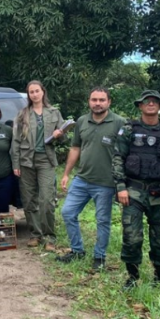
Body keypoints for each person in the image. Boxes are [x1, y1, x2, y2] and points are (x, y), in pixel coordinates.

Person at [113, 90, 160, 294]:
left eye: (155, 101)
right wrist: (120, 187)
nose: (151, 104)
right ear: (140, 106)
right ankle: (132, 277)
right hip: (133, 190)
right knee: (132, 236)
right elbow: (118, 157)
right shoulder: (129, 129)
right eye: (147, 102)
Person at [57, 87, 126, 269]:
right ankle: (77, 250)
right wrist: (66, 173)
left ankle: (99, 257)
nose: (97, 103)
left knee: (102, 220)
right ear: (89, 101)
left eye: (102, 100)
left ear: (109, 102)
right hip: (82, 179)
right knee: (67, 212)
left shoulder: (119, 123)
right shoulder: (82, 121)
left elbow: (127, 153)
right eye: (94, 99)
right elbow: (75, 148)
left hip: (105, 182)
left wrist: (122, 184)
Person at [11, 80, 65, 251]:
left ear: (43, 92)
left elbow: (64, 138)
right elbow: (16, 141)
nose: (34, 94)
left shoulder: (54, 113)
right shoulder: (22, 114)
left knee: (47, 200)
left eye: (37, 91)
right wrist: (15, 163)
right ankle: (35, 234)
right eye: (31, 92)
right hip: (26, 160)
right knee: (29, 200)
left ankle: (49, 236)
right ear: (28, 95)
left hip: (45, 160)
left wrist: (59, 135)